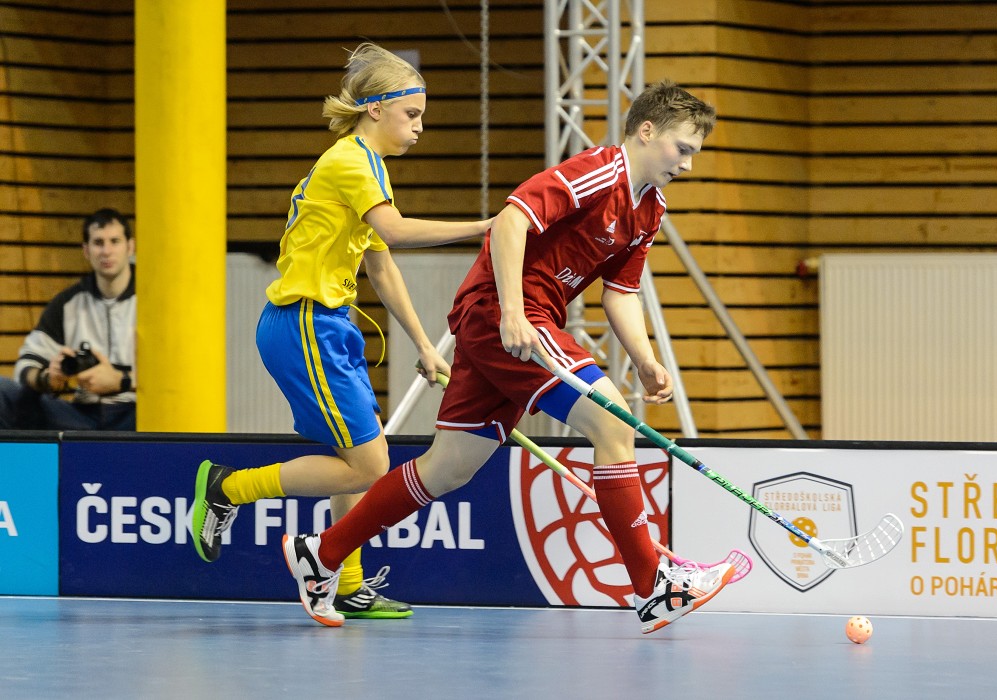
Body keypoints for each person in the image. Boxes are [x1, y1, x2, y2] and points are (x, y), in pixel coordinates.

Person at [281, 80, 739, 634]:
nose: (687, 165)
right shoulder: (599, 170)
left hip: (506, 326)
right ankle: (652, 587)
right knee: (615, 424)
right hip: (506, 319)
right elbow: (513, 220)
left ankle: (323, 553)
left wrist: (644, 358)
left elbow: (620, 292)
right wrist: (515, 312)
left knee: (446, 469)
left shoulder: (649, 208)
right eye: (681, 149)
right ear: (647, 131)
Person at [191, 43, 491, 621]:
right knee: (371, 466)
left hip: (328, 325)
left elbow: (380, 261)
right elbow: (396, 233)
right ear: (375, 109)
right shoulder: (352, 162)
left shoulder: (366, 167)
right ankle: (227, 489)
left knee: (351, 454)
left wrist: (426, 346)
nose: (421, 128)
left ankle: (347, 582)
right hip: (304, 322)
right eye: (413, 115)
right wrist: (486, 226)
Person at [0, 208, 137, 431]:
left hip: (137, 413)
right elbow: (26, 366)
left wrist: (121, 380)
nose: (106, 251)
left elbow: (180, 373)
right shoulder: (68, 303)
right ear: (86, 250)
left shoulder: (154, 302)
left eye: (114, 241)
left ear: (130, 246)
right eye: (98, 243)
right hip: (81, 416)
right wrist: (48, 378)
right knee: (3, 392)